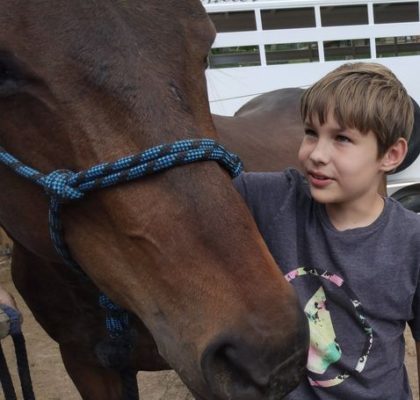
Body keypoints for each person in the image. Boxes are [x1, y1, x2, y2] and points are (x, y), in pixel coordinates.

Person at [233, 62, 420, 399]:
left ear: (391, 155)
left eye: (342, 139)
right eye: (310, 133)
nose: (316, 154)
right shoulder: (274, 199)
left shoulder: (413, 241)